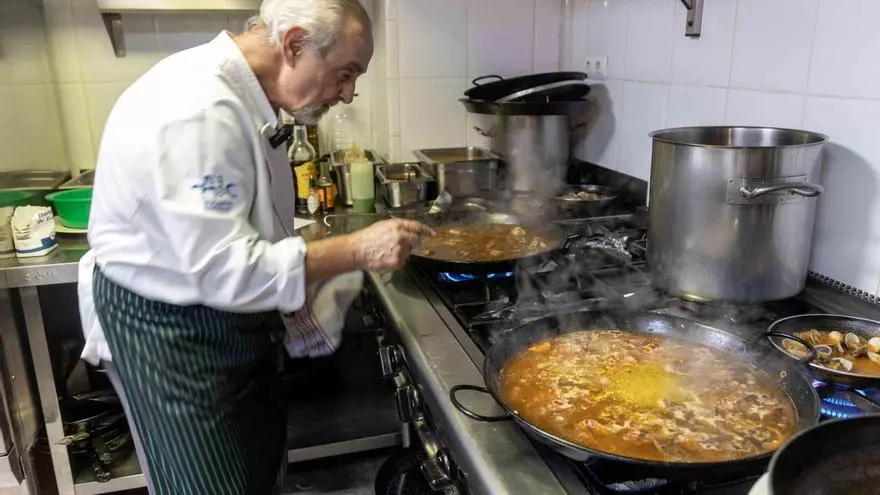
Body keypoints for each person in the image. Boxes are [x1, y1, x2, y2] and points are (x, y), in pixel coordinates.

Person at [76, 1, 432, 493]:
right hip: (175, 336)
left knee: (254, 472)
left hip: (227, 323)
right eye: (345, 73)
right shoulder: (196, 110)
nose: (348, 94)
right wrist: (355, 250)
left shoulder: (244, 97)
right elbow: (222, 268)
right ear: (293, 45)